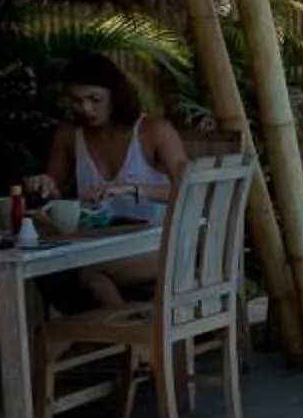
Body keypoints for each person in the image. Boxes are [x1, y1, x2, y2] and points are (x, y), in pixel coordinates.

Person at [25, 53, 188, 309]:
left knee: (83, 274)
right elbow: (54, 196)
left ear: (115, 95)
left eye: (95, 99)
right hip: (98, 244)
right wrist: (44, 184)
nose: (86, 109)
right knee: (66, 274)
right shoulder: (70, 135)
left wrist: (133, 189)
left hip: (158, 244)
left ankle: (126, 335)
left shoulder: (152, 131)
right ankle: (126, 334)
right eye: (77, 101)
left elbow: (188, 189)